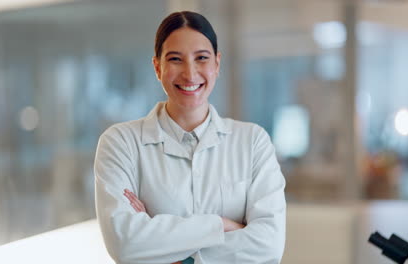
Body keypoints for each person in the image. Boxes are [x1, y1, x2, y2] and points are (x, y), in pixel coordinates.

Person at [94, 11, 286, 264]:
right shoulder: (121, 143)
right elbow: (126, 244)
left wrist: (168, 249)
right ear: (157, 67)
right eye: (175, 59)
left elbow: (268, 246)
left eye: (201, 58)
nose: (190, 73)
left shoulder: (252, 141)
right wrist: (221, 225)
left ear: (217, 64)